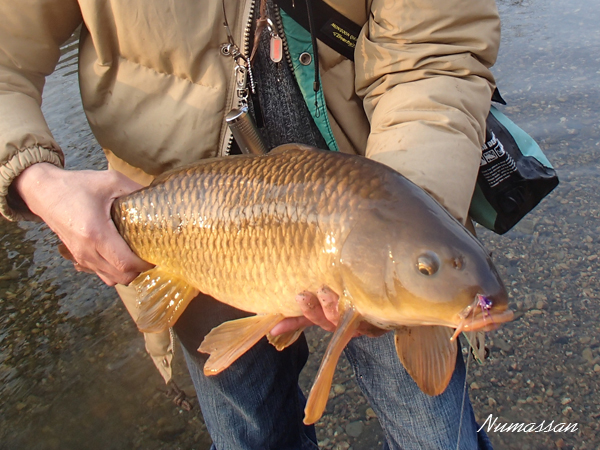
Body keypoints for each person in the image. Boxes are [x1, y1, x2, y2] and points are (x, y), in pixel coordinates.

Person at [0, 0, 501, 448]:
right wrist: (36, 179)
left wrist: (414, 208)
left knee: (436, 435)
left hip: (373, 195)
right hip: (189, 229)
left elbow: (436, 49)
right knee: (249, 437)